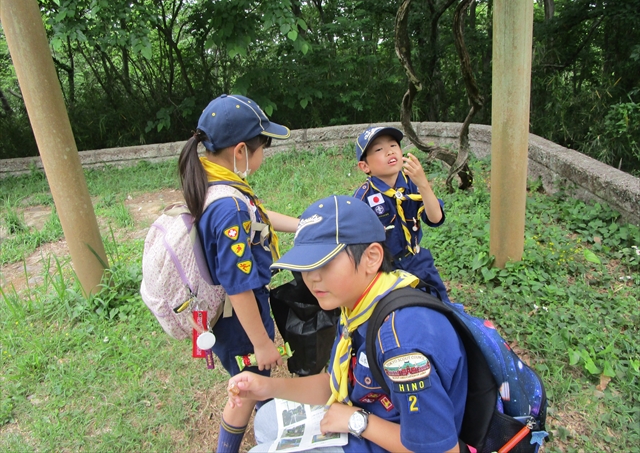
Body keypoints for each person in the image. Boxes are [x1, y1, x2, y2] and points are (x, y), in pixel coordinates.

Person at [227, 195, 468, 452]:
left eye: (325, 262)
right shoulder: (358, 304)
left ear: (372, 258)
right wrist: (267, 387)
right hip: (358, 420)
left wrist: (358, 422)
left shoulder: (401, 345)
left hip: (378, 435)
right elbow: (336, 383)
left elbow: (442, 449)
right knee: (265, 420)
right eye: (305, 266)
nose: (312, 278)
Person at [178, 94, 300, 453]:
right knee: (248, 382)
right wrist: (263, 343)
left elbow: (258, 217)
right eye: (264, 145)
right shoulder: (228, 207)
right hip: (239, 318)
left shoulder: (218, 182)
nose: (266, 153)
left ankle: (265, 414)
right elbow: (237, 286)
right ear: (242, 151)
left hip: (235, 316)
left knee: (251, 381)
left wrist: (304, 224)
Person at [353, 126, 450, 302]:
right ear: (364, 166)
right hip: (384, 270)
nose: (389, 152)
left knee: (440, 305)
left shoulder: (412, 184)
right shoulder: (363, 199)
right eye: (379, 149)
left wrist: (423, 184)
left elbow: (436, 219)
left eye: (393, 146)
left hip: (416, 260)